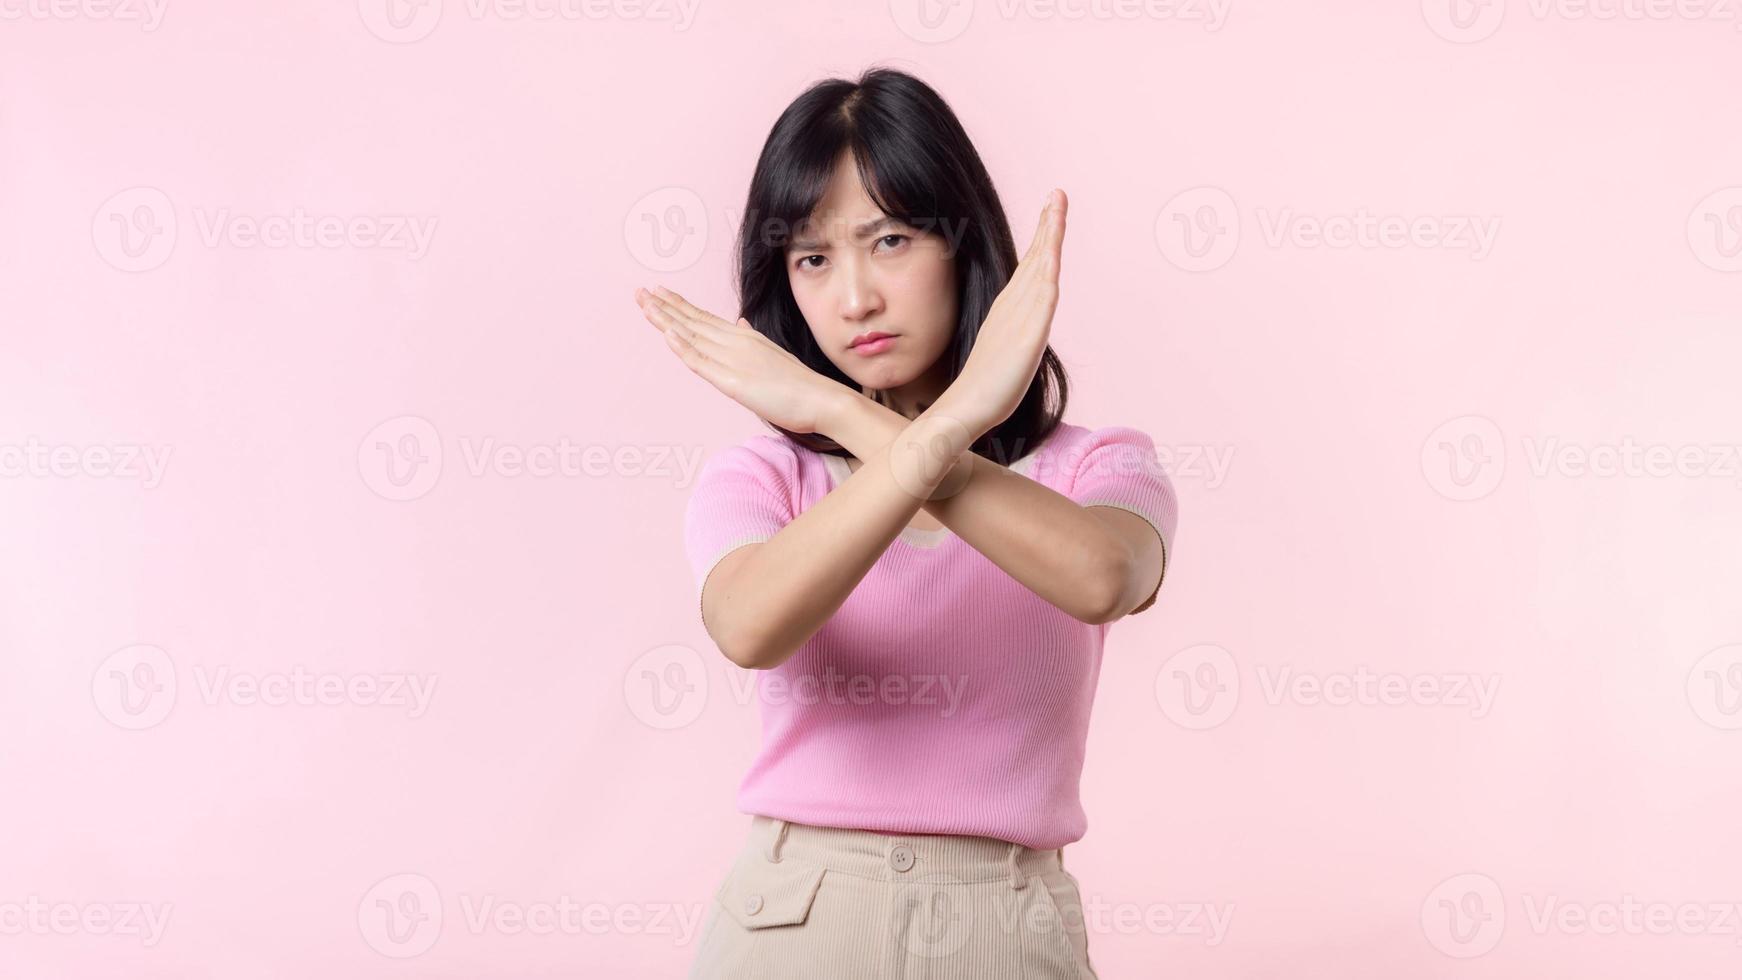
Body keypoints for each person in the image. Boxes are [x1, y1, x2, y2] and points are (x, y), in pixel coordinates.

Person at [633, 66, 1177, 980]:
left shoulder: (1099, 465)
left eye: (888, 240)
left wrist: (877, 417)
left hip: (1008, 926)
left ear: (964, 246)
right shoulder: (763, 477)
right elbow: (747, 625)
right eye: (813, 258)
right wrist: (923, 422)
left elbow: (1103, 579)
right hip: (794, 925)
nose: (854, 300)